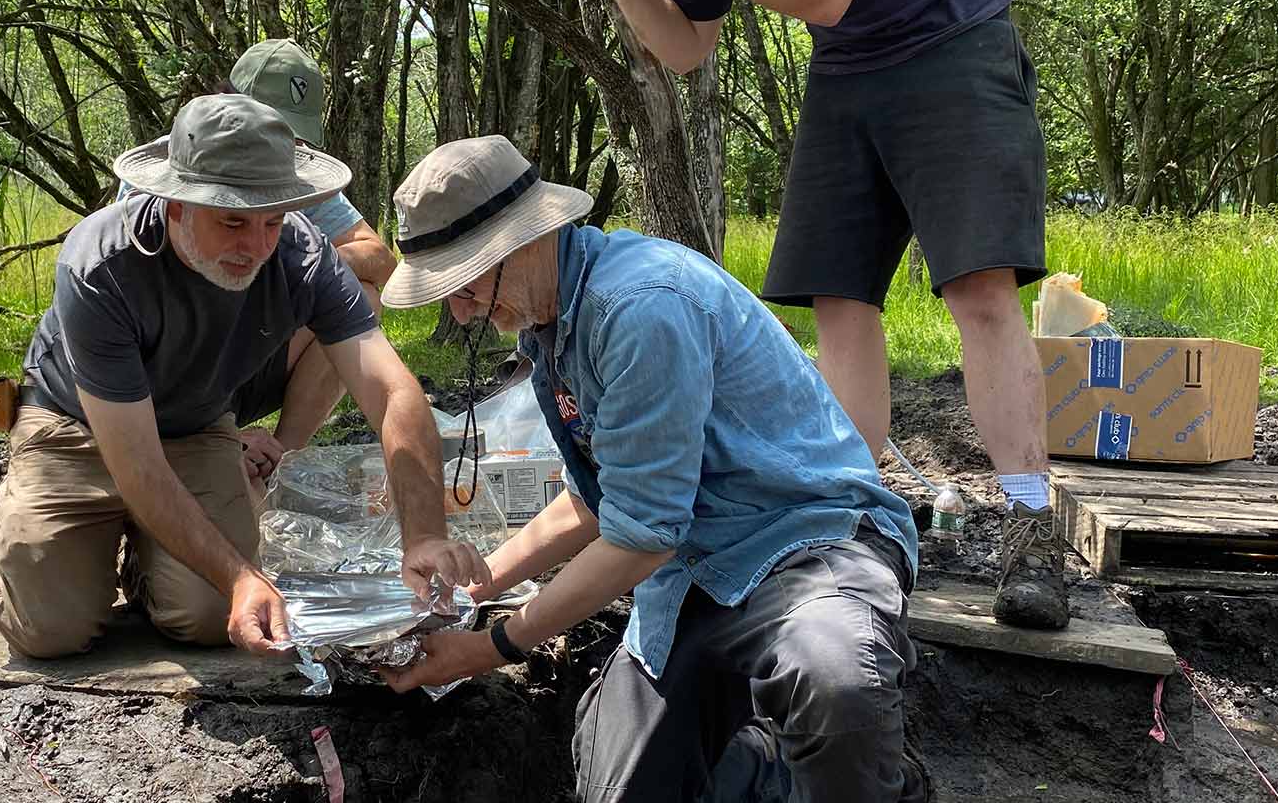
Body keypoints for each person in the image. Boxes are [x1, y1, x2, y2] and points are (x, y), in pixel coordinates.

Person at [576, 0, 1068, 629]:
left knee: (978, 292)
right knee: (839, 299)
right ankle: (854, 517)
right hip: (851, 68)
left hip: (951, 38)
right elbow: (684, 49)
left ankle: (1030, 527)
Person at [378, 136, 927, 802]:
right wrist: (479, 586)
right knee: (625, 787)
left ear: (523, 241)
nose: (459, 310)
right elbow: (601, 500)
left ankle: (875, 781)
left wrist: (494, 645)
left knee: (839, 680)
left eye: (463, 283)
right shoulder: (552, 320)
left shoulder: (640, 307)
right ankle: (766, 767)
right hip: (695, 574)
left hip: (805, 542)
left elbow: (643, 532)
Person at [0, 94, 486, 658]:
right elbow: (138, 463)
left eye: (272, 221)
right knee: (49, 631)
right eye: (232, 222)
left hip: (195, 428)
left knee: (207, 617)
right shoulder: (102, 265)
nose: (256, 247)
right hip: (75, 428)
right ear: (174, 204)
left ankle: (150, 570)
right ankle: (22, 540)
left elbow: (393, 393)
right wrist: (242, 575)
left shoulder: (302, 256)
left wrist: (423, 534)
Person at [117, 39, 398, 488]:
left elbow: (378, 258)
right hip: (166, 376)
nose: (279, 149)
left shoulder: (294, 172)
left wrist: (289, 267)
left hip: (247, 357)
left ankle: (279, 458)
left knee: (359, 296)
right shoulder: (178, 168)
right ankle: (206, 442)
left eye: (292, 137)